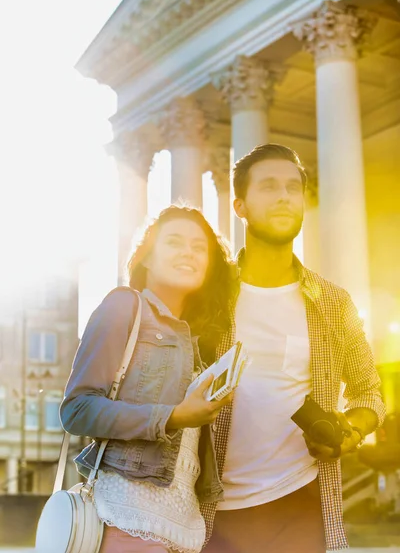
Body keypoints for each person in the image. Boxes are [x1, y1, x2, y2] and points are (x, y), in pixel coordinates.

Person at [201, 144, 386, 553]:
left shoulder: (333, 302)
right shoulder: (208, 297)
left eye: (292, 187)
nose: (284, 196)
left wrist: (350, 429)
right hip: (210, 512)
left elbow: (369, 393)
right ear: (240, 205)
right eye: (268, 187)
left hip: (300, 506)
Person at [60, 205, 236, 553]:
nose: (188, 252)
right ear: (148, 259)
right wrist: (172, 416)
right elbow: (77, 409)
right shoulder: (124, 306)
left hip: (186, 529)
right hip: (127, 521)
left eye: (199, 247)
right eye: (174, 242)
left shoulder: (202, 341)